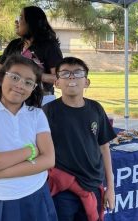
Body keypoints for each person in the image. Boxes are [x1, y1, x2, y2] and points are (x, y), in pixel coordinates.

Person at [0, 54, 57, 221]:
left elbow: (48, 160)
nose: (20, 85)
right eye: (15, 77)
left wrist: (1, 173)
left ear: (33, 89)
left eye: (28, 82)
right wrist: (30, 150)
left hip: (37, 193)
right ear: (2, 78)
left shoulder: (37, 115)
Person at [43, 57, 116, 221]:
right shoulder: (47, 112)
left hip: (93, 185)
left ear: (87, 82)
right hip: (62, 189)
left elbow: (104, 148)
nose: (71, 77)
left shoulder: (96, 109)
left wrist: (110, 188)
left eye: (77, 73)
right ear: (57, 82)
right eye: (65, 73)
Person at [0, 6, 63, 95]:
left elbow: (59, 77)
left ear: (31, 23)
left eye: (21, 18)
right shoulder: (13, 45)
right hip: (11, 96)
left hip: (40, 98)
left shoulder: (50, 46)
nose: (16, 22)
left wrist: (33, 76)